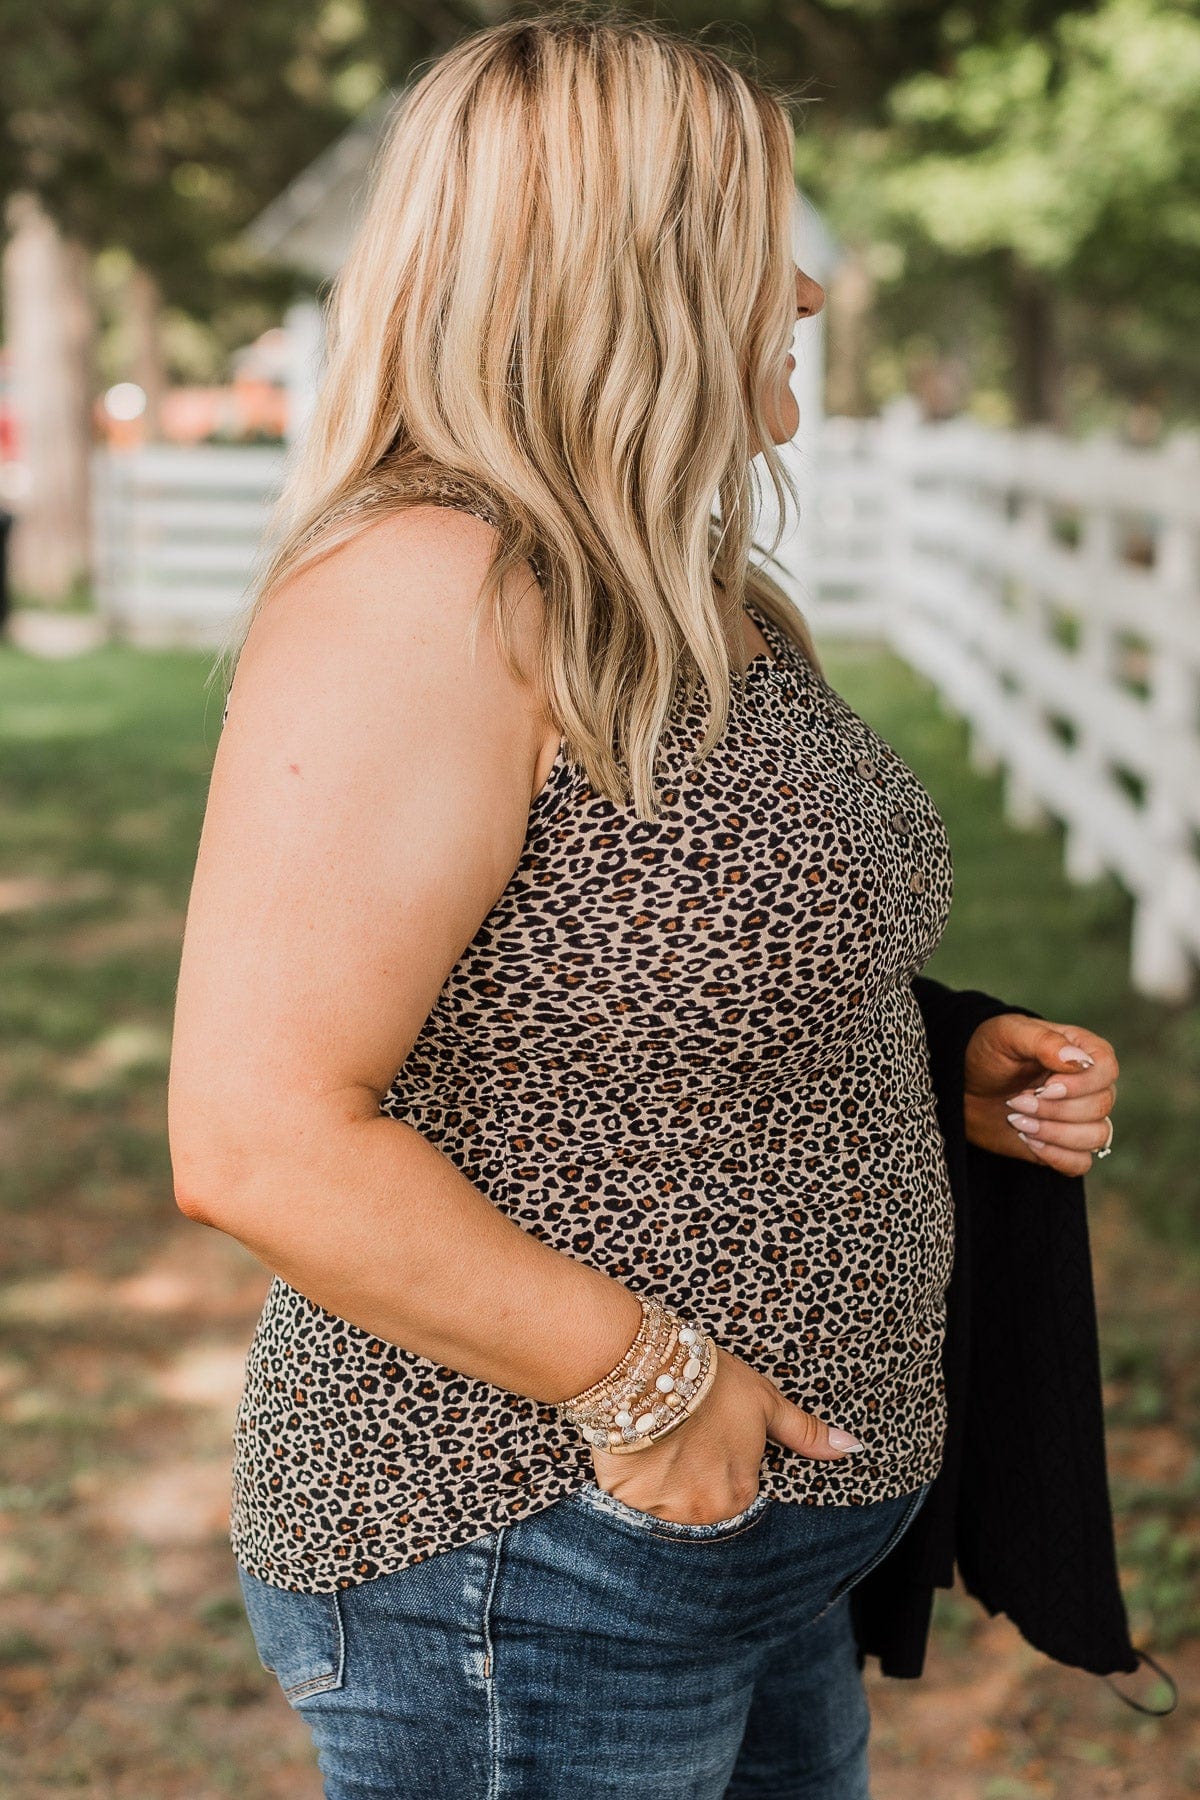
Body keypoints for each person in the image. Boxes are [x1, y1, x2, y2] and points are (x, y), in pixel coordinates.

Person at [168, 16, 1119, 1798]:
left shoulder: (683, 588)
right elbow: (256, 1135)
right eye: (767, 236)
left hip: (755, 1537)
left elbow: (650, 944)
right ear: (633, 271)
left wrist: (937, 1060)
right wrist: (657, 1389)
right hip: (536, 1549)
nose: (813, 290)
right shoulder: (426, 594)